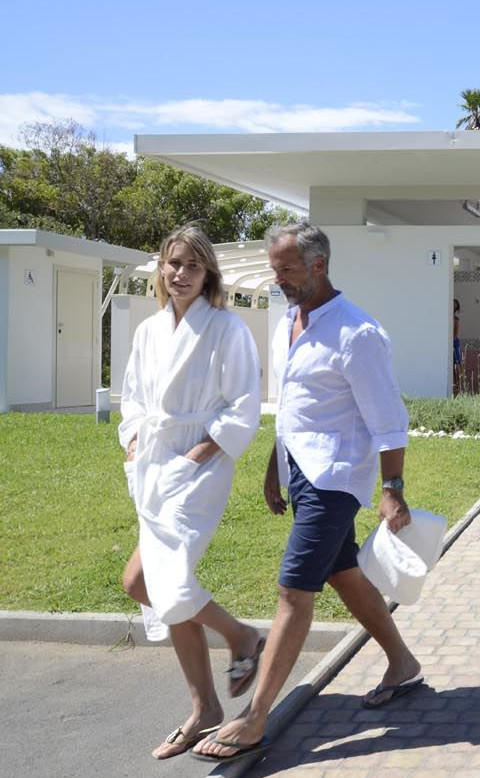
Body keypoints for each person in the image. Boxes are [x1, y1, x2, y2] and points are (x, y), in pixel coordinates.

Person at [194, 222, 421, 765]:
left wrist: (392, 488)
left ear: (319, 265)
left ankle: (255, 717)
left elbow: (389, 420)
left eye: (287, 269)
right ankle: (403, 664)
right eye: (275, 269)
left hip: (335, 478)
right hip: (301, 470)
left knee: (294, 589)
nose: (279, 280)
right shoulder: (288, 322)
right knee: (343, 573)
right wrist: (275, 467)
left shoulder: (356, 333)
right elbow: (293, 408)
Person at [118, 224, 265, 760]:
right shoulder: (149, 330)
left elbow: (242, 405)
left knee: (154, 579)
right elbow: (133, 396)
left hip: (200, 467)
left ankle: (241, 636)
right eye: (173, 263)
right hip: (153, 465)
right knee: (149, 582)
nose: (180, 274)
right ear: (161, 268)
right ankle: (205, 706)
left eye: (192, 266)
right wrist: (134, 442)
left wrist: (196, 455)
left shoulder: (227, 329)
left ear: (208, 274)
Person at [452, 298, 462, 395]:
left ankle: (459, 388)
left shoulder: (456, 320)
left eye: (455, 305)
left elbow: (455, 334)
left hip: (454, 343)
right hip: (451, 343)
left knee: (457, 364)